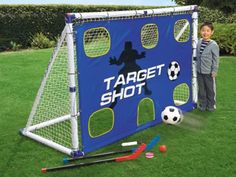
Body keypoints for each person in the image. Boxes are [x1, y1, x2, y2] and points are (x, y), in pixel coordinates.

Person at [196, 22, 220, 112]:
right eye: (203, 30)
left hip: (209, 72)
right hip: (199, 71)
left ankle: (211, 105)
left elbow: (216, 59)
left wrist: (214, 70)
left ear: (212, 32)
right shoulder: (198, 42)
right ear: (200, 31)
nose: (205, 33)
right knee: (201, 90)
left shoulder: (213, 45)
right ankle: (203, 104)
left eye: (207, 31)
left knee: (210, 90)